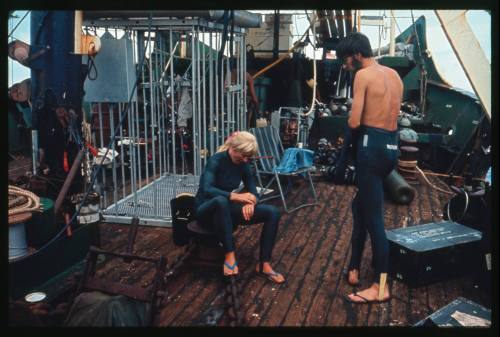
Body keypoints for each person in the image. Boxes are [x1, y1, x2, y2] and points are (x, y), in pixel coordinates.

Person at [336, 32, 403, 303]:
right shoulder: (394, 75)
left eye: (346, 58)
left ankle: (381, 285)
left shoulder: (362, 76)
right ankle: (354, 267)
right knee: (360, 206)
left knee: (374, 219)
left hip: (370, 148)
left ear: (358, 54)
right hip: (390, 148)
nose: (345, 63)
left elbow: (354, 122)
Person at [194, 131, 285, 283]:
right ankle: (229, 254)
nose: (245, 159)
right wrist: (237, 197)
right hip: (205, 209)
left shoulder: (243, 163)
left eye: (248, 157)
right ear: (234, 149)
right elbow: (207, 189)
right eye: (243, 155)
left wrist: (251, 202)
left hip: (225, 209)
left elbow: (254, 191)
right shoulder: (216, 160)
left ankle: (264, 264)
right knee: (220, 201)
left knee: (273, 212)